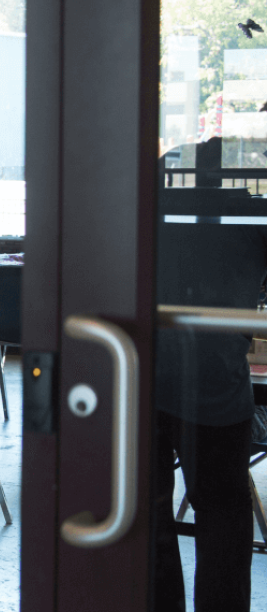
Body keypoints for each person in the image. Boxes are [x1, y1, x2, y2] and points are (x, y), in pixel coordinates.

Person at [150, 187, 263, 612]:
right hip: (215, 378)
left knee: (149, 514)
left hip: (143, 373)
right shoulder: (251, 214)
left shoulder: (147, 202)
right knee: (223, 519)